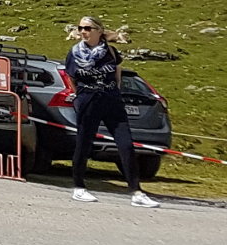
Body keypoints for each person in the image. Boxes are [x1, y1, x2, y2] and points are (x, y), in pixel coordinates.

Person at [66, 15, 158, 207]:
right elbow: (71, 78)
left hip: (111, 99)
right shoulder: (74, 53)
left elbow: (117, 74)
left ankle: (136, 191)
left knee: (126, 144)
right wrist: (81, 96)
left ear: (99, 31)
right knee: (84, 143)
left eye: (88, 28)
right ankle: (79, 187)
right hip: (88, 99)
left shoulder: (110, 51)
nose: (83, 32)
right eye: (81, 28)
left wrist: (114, 91)